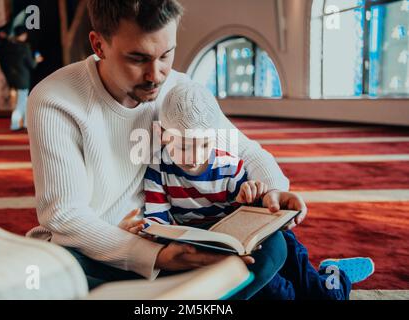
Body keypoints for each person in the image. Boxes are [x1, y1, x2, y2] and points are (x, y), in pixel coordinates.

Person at [25, 0, 307, 296]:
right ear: (99, 45)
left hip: (176, 238)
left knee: (271, 245)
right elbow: (64, 215)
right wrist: (156, 258)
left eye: (166, 55)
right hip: (98, 250)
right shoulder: (55, 99)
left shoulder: (178, 91)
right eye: (137, 58)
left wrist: (274, 190)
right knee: (53, 279)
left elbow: (247, 152)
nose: (156, 75)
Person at [121, 82, 374, 300]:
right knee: (282, 295)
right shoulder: (158, 170)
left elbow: (249, 212)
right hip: (219, 252)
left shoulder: (229, 166)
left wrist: (250, 195)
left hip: (260, 243)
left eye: (205, 145)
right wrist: (149, 231)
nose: (196, 158)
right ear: (164, 135)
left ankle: (334, 271)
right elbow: (158, 219)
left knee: (325, 295)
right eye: (185, 147)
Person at [5, 26, 43, 131]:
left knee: (25, 100)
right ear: (22, 35)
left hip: (13, 77)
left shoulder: (10, 46)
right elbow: (31, 64)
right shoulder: (24, 47)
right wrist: (37, 60)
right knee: (22, 101)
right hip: (23, 78)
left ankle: (27, 123)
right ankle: (15, 124)